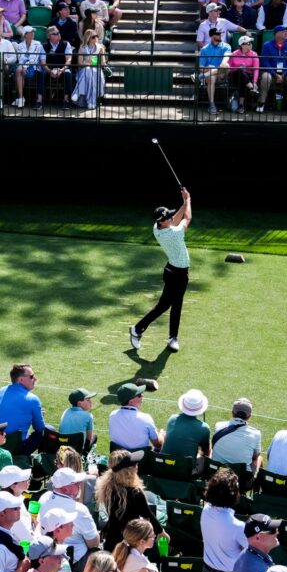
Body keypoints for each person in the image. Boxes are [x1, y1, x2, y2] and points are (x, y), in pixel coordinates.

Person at [129, 188, 192, 353]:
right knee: (163, 306)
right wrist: (188, 200)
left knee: (176, 304)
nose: (172, 217)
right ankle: (136, 329)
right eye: (168, 217)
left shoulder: (157, 228)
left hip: (177, 272)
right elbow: (187, 217)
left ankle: (173, 338)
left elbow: (175, 218)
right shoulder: (174, 234)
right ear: (164, 221)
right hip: (175, 274)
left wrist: (184, 202)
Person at [209, 398, 263, 482]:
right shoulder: (256, 434)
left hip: (215, 475)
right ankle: (256, 491)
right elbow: (255, 456)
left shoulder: (218, 425)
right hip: (240, 480)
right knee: (259, 458)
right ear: (249, 416)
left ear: (232, 413)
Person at [109, 383, 161, 451]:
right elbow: (157, 444)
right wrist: (162, 435)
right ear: (131, 402)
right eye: (139, 395)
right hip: (141, 460)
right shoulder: (146, 418)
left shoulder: (112, 415)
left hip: (118, 459)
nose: (142, 395)